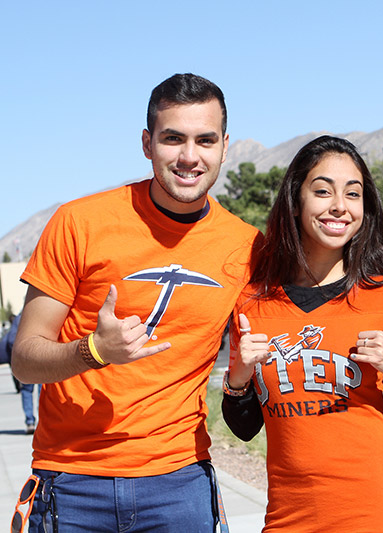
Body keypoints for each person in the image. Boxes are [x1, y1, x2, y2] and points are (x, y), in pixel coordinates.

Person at [11, 73, 260, 532]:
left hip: (180, 483)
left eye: (205, 140)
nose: (189, 156)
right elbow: (25, 359)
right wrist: (93, 351)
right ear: (147, 144)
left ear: (226, 146)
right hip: (71, 480)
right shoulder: (79, 223)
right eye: (172, 139)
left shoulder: (246, 247)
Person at [222, 135, 383, 532]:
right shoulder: (253, 303)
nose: (339, 205)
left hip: (382, 512)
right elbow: (245, 429)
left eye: (353, 194)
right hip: (291, 516)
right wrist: (237, 380)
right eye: (322, 191)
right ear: (295, 200)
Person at [2, 313, 39, 433]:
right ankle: (40, 420)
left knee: (28, 391)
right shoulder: (35, 315)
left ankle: (30, 422)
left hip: (29, 362)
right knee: (42, 390)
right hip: (37, 361)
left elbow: (12, 340)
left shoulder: (20, 318)